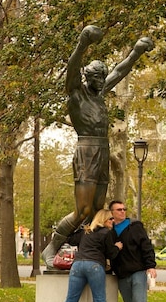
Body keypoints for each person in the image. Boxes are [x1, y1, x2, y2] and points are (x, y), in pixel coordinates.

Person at [43, 26, 153, 269]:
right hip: (86, 151)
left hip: (102, 151)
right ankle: (51, 247)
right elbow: (72, 68)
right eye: (96, 78)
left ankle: (90, 252)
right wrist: (83, 42)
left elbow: (120, 71)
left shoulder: (99, 92)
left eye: (102, 79)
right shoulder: (76, 93)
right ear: (87, 77)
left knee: (96, 211)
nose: (101, 82)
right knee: (82, 209)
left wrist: (136, 52)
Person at [54, 209, 123, 302]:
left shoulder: (85, 232)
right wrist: (117, 247)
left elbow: (70, 239)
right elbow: (111, 253)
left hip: (77, 265)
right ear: (103, 220)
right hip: (95, 265)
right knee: (99, 301)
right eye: (110, 219)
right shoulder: (106, 233)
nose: (113, 222)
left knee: (70, 301)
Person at [109, 200, 157, 302]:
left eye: (124, 209)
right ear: (111, 213)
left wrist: (151, 266)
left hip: (137, 271)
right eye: (119, 210)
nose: (122, 212)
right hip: (121, 274)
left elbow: (146, 246)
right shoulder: (109, 231)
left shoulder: (135, 227)